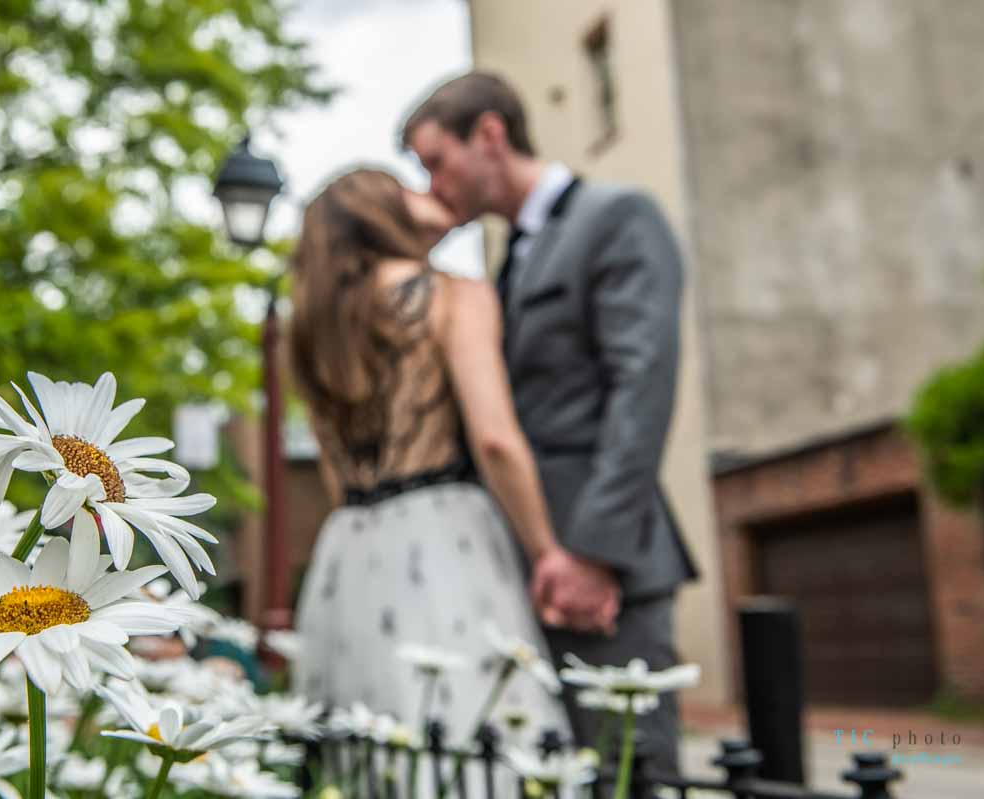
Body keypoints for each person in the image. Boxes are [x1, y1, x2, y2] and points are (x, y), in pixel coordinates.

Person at [400, 71, 699, 774]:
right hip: (525, 568)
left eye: (436, 161)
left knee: (630, 772)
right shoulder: (507, 262)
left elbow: (641, 388)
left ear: (491, 136)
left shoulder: (618, 215)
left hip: (599, 572)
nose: (432, 184)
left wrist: (592, 553)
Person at [288, 168, 571, 753]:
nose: (428, 192)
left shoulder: (312, 327)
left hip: (348, 548)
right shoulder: (451, 294)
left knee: (374, 752)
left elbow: (333, 475)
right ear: (384, 211)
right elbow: (495, 438)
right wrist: (547, 552)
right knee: (473, 731)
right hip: (446, 534)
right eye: (408, 188)